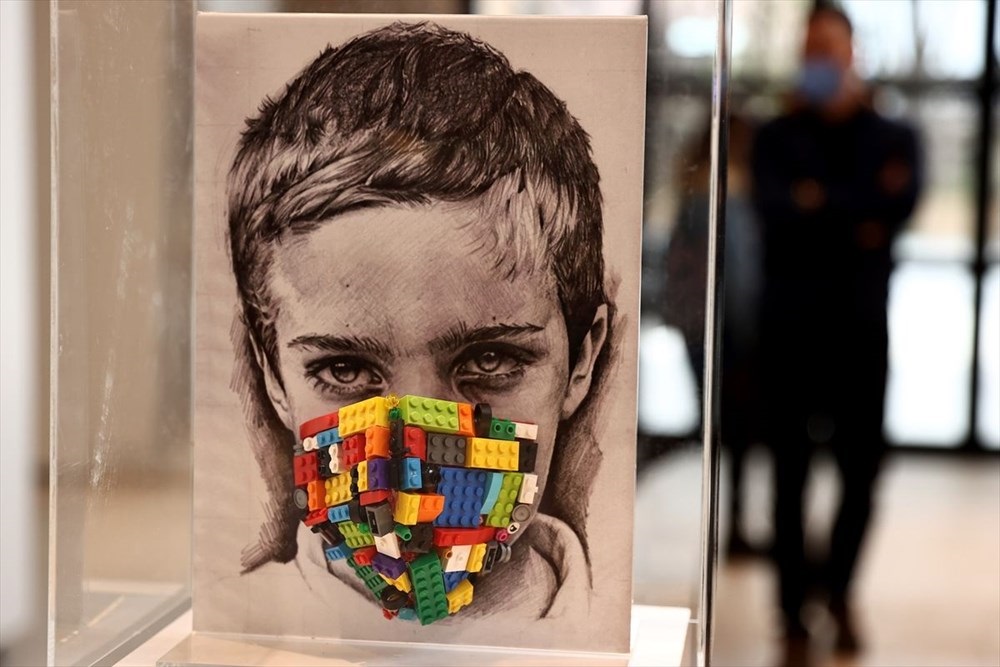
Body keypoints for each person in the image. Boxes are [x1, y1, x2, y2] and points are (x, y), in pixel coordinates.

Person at [224, 22, 616, 621]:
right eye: (345, 370)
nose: (418, 462)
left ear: (582, 358)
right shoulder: (240, 620)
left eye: (488, 360)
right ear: (273, 376)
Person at [751, 5, 922, 660]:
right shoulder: (775, 137)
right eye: (810, 50)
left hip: (859, 335)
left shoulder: (894, 136)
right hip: (789, 335)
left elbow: (897, 208)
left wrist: (817, 201)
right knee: (788, 479)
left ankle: (841, 592)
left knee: (861, 475)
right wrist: (856, 214)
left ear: (853, 53)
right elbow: (776, 211)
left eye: (829, 48)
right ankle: (793, 615)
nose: (819, 61)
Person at [663, 114, 764, 557]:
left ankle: (728, 524)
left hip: (702, 326)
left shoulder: (694, 190)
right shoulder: (725, 193)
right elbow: (736, 277)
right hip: (727, 329)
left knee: (718, 428)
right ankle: (731, 524)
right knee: (729, 430)